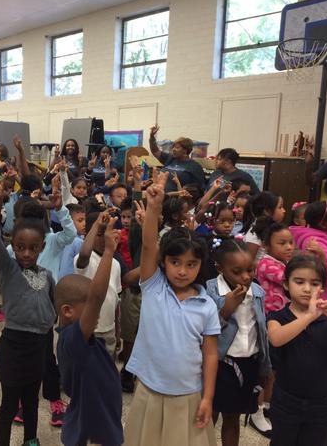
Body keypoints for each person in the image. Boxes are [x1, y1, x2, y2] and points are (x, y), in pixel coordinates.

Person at [124, 172, 220, 446]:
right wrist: (154, 208)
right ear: (163, 262)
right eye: (175, 262)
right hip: (149, 391)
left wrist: (208, 398)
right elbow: (149, 244)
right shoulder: (153, 287)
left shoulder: (206, 305)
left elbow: (210, 354)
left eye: (191, 264)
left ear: (201, 266)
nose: (182, 270)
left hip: (189, 395)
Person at [0, 174, 57, 446]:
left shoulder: (47, 274)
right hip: (14, 346)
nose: (26, 253)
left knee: (31, 403)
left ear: (41, 248)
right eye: (20, 247)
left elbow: (52, 305)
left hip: (39, 347)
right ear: (13, 246)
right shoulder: (9, 268)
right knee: (8, 406)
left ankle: (31, 439)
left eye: (32, 248)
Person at [267, 255, 327, 446]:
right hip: (286, 401)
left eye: (315, 283)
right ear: (286, 284)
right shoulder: (278, 316)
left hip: (321, 404)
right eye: (299, 282)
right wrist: (309, 317)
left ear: (322, 288)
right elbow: (276, 339)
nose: (307, 288)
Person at [55, 212, 124, 446]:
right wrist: (108, 251)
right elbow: (96, 297)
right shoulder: (73, 340)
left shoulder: (85, 340)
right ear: (67, 311)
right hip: (92, 421)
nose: (95, 312)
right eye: (89, 309)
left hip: (100, 414)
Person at [206, 238, 271, 446]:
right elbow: (204, 330)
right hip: (220, 365)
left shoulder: (258, 293)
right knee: (210, 414)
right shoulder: (211, 291)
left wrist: (264, 368)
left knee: (233, 418)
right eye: (237, 272)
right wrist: (227, 308)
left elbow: (261, 331)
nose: (245, 277)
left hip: (248, 362)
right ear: (220, 268)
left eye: (250, 270)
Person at [75, 210, 123, 358]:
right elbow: (83, 254)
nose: (105, 239)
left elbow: (115, 299)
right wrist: (97, 224)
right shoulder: (85, 259)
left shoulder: (115, 264)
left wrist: (117, 330)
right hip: (89, 329)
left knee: (106, 370)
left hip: (109, 329)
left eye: (109, 234)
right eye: (100, 234)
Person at [148, 125, 206, 192]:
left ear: (185, 150)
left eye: (177, 148)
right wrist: (152, 137)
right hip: (156, 192)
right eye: (173, 147)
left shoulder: (195, 167)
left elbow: (200, 188)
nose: (173, 149)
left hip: (173, 198)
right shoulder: (170, 158)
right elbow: (155, 151)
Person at [241, 191, 285, 261]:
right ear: (267, 211)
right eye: (280, 207)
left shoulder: (272, 228)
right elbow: (248, 262)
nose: (284, 211)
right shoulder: (255, 233)